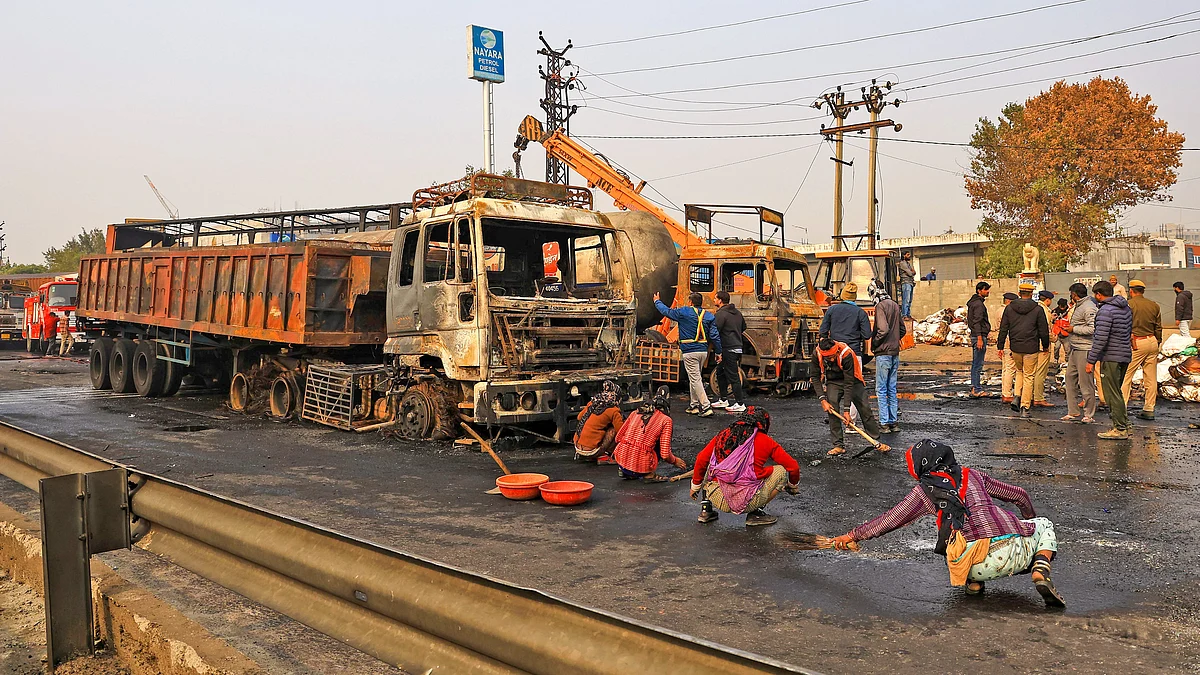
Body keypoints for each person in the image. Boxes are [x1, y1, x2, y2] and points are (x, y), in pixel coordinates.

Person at [829, 439, 1065, 608]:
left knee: (952, 534)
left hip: (973, 564)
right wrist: (1027, 525)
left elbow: (891, 519)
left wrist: (852, 536)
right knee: (1044, 524)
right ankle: (1040, 567)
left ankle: (974, 584)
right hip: (1017, 552)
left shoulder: (924, 491)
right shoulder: (973, 474)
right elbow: (1019, 495)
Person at [690, 407, 800, 527]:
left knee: (711, 464)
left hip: (717, 497)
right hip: (748, 502)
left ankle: (706, 510)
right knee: (781, 470)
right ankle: (755, 513)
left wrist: (695, 486)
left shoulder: (723, 435)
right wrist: (792, 485)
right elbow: (793, 467)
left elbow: (701, 459)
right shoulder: (765, 441)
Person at [813, 337, 890, 455]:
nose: (832, 359)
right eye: (828, 357)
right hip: (833, 381)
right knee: (831, 408)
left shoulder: (846, 353)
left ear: (837, 350)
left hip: (852, 380)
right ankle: (838, 445)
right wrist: (822, 399)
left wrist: (847, 410)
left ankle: (875, 440)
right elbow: (815, 377)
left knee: (864, 407)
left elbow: (848, 383)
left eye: (833, 355)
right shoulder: (817, 353)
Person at [654, 291, 721, 417]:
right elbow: (714, 336)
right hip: (703, 352)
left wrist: (657, 301)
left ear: (690, 302)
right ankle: (693, 405)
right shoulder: (709, 316)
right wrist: (718, 351)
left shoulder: (684, 312)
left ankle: (706, 407)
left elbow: (667, 312)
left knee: (695, 379)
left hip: (689, 351)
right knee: (694, 378)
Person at [1086, 280, 1133, 440]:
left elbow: (1100, 338)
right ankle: (1123, 424)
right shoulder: (1126, 308)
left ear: (1099, 294)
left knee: (1111, 393)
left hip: (1111, 356)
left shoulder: (1105, 311)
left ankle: (1119, 428)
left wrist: (1091, 360)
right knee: (1117, 391)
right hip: (1124, 354)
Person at [996, 282, 1048, 418]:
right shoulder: (1038, 309)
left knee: (1019, 372)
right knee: (1029, 376)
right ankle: (1025, 405)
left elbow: (1003, 328)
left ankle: (1017, 396)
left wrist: (1000, 346)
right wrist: (1046, 345)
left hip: (1015, 347)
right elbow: (1043, 330)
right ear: (1031, 294)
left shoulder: (1009, 308)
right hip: (1031, 347)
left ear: (1019, 293)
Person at [613, 386, 686, 481]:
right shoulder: (666, 420)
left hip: (621, 461)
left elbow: (618, 438)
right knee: (659, 443)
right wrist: (675, 461)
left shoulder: (636, 412)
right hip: (641, 466)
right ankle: (649, 475)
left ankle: (625, 471)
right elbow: (665, 454)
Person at [1121, 280, 1161, 422]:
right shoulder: (1154, 305)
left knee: (1125, 375)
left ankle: (1122, 409)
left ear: (1131, 291)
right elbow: (1158, 327)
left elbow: (1124, 325)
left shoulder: (1128, 305)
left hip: (1136, 342)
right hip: (1152, 341)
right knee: (1150, 377)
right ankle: (1149, 409)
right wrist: (1158, 341)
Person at [1061, 283, 1098, 424]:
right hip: (1075, 348)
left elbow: (1093, 329)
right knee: (1070, 379)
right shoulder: (1079, 306)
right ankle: (1073, 411)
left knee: (1086, 383)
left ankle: (1089, 414)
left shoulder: (1088, 307)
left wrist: (1073, 329)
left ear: (1074, 294)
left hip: (1085, 349)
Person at [870, 286, 905, 432]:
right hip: (894, 352)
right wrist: (895, 340)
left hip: (883, 353)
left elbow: (882, 329)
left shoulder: (880, 306)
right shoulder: (895, 305)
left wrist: (875, 343)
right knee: (892, 387)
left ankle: (884, 423)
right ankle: (893, 422)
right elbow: (902, 329)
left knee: (881, 389)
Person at [711, 291, 748, 413]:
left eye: (715, 298)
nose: (714, 300)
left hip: (728, 348)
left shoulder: (721, 314)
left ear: (720, 300)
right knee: (720, 372)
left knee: (733, 376)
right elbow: (744, 327)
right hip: (737, 346)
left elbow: (715, 330)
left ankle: (740, 403)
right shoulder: (737, 313)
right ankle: (723, 399)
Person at [818, 282, 872, 358]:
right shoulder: (861, 313)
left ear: (842, 295)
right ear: (855, 297)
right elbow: (867, 335)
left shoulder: (831, 310)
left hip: (835, 353)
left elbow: (823, 332)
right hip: (854, 353)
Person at [573, 381, 623, 461]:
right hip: (591, 451)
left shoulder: (592, 403)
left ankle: (584, 454)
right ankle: (606, 454)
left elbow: (579, 417)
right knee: (612, 430)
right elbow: (621, 431)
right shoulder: (614, 410)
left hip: (577, 447)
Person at [966, 281, 991, 397]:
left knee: (976, 363)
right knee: (978, 364)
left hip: (977, 335)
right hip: (978, 336)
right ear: (979, 291)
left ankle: (974, 387)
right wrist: (980, 338)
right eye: (985, 290)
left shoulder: (974, 303)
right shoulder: (978, 305)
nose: (988, 292)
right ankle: (976, 389)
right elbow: (977, 322)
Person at [1031, 290, 1055, 409]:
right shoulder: (1044, 310)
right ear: (1048, 300)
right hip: (1043, 345)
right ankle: (1038, 398)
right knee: (1040, 372)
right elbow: (1045, 330)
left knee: (1032, 372)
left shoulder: (1034, 308)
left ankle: (1031, 395)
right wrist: (1053, 339)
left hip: (1033, 344)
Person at [999, 293, 1020, 403]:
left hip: (1004, 343)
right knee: (1011, 369)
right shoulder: (1007, 311)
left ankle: (1005, 392)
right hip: (1009, 342)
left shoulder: (999, 310)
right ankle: (1007, 394)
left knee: (1006, 369)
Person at [1051, 298, 1070, 367]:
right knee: (1056, 347)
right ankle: (1056, 360)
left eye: (1063, 306)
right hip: (1057, 333)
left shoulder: (1069, 312)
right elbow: (1051, 321)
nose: (1062, 308)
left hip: (1066, 334)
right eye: (1060, 306)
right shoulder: (1054, 311)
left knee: (1067, 349)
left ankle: (1068, 361)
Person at [898, 251, 916, 319]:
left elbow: (914, 272)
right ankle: (904, 315)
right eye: (908, 255)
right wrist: (911, 272)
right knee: (906, 299)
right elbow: (911, 273)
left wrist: (911, 272)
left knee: (910, 300)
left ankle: (908, 314)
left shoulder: (908, 264)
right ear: (904, 255)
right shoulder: (902, 264)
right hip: (906, 283)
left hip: (910, 282)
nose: (909, 256)